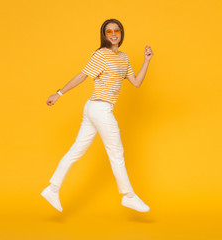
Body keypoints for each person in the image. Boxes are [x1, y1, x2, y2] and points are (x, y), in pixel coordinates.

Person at [41, 18, 153, 213]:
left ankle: (52, 188)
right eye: (108, 32)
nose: (113, 34)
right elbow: (82, 76)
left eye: (116, 30)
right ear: (104, 35)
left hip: (96, 109)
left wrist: (146, 61)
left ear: (121, 33)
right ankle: (129, 196)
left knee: (77, 150)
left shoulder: (123, 57)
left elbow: (136, 83)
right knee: (116, 152)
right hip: (99, 109)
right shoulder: (100, 55)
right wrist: (58, 94)